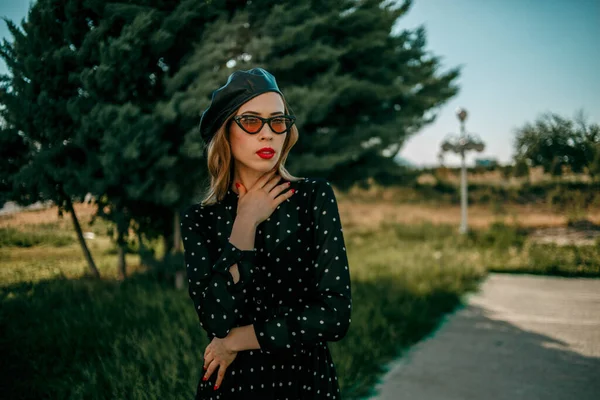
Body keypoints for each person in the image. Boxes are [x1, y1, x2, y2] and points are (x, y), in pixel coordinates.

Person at [180, 67, 352, 399]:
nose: (267, 134)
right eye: (251, 121)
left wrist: (236, 340)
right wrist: (245, 223)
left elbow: (334, 316)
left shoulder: (312, 198)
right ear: (225, 130)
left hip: (305, 384)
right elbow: (215, 319)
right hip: (232, 387)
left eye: (278, 121)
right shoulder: (200, 219)